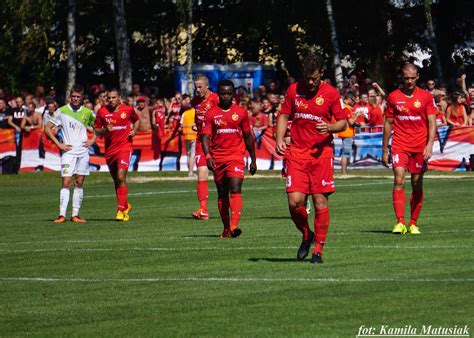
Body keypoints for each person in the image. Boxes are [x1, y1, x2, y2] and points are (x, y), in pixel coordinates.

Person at [275, 53, 348, 264]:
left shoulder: (332, 93)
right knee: (294, 202)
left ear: (321, 74)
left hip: (321, 154)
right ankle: (307, 234)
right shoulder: (294, 90)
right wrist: (280, 138)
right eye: (307, 78)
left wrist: (331, 127)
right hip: (297, 153)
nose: (310, 82)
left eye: (314, 78)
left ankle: (318, 250)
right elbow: (284, 116)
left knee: (319, 201)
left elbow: (343, 122)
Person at [382, 63, 437, 235]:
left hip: (420, 146)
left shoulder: (426, 97)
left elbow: (432, 122)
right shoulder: (393, 97)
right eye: (406, 78)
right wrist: (385, 149)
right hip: (400, 144)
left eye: (412, 78)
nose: (409, 81)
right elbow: (388, 124)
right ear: (402, 77)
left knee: (416, 183)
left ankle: (413, 222)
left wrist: (429, 145)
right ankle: (400, 222)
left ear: (417, 77)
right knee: (399, 179)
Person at [202, 79, 257, 238]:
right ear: (218, 94)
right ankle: (226, 229)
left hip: (236, 157)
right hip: (218, 158)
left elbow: (248, 136)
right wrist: (208, 156)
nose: (226, 96)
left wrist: (253, 160)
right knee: (221, 193)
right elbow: (205, 137)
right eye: (223, 93)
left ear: (233, 94)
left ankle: (234, 226)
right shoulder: (211, 113)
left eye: (229, 93)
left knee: (235, 188)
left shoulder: (241, 112)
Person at [44, 84, 95, 223]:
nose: (75, 99)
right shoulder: (62, 111)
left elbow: (97, 127)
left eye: (78, 97)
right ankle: (61, 215)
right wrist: (59, 144)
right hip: (68, 152)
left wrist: (93, 140)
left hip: (83, 152)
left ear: (82, 98)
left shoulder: (88, 112)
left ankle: (75, 215)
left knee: (79, 182)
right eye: (73, 96)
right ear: (70, 97)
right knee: (66, 182)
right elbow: (47, 128)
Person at [94, 88, 140, 221]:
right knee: (116, 180)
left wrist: (134, 131)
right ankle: (125, 205)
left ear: (119, 98)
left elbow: (136, 120)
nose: (111, 100)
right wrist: (104, 130)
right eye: (109, 98)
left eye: (114, 97)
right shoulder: (102, 111)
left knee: (121, 176)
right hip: (110, 151)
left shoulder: (128, 109)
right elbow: (96, 131)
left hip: (125, 147)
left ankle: (120, 210)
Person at [190, 74, 219, 220]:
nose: (198, 90)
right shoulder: (194, 101)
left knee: (221, 178)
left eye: (200, 87)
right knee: (202, 174)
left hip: (217, 142)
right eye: (196, 87)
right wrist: (196, 125)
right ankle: (203, 210)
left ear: (207, 86)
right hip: (202, 142)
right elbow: (198, 118)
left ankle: (229, 207)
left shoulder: (216, 99)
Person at [336, 93, 361, 175]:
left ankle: (344, 172)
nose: (353, 102)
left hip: (346, 132)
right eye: (352, 100)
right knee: (346, 153)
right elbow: (351, 122)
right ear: (349, 99)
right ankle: (344, 172)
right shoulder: (346, 108)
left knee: (346, 152)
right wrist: (357, 115)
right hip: (346, 133)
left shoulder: (345, 107)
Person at [180, 102, 197, 177]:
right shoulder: (196, 113)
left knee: (188, 155)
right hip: (194, 136)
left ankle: (189, 171)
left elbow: (181, 124)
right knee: (192, 155)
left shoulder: (185, 113)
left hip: (186, 136)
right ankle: (190, 172)